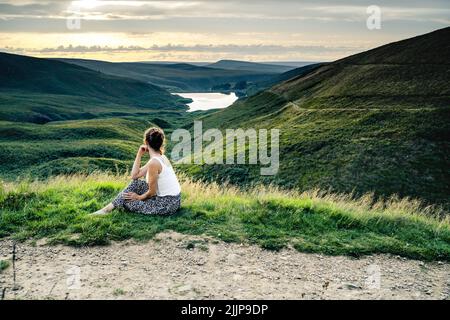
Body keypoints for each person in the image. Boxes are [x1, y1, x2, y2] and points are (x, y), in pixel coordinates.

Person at [92, 127, 181, 216]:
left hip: (167, 205)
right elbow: (135, 175)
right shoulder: (160, 157)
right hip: (175, 200)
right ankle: (106, 209)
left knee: (127, 202)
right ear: (161, 143)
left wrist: (138, 197)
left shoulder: (154, 162)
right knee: (136, 183)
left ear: (146, 142)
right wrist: (139, 154)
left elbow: (152, 192)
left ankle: (106, 210)